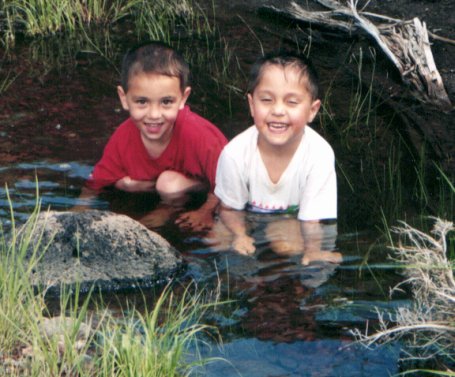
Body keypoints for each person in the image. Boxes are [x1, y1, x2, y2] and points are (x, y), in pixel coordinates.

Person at [84, 41, 228, 231]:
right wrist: (78, 212)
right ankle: (165, 207)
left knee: (168, 184)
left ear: (183, 98)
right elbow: (95, 183)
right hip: (159, 189)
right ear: (124, 98)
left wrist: (206, 211)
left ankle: (168, 208)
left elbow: (230, 182)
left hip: (202, 189)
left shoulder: (199, 135)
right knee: (124, 184)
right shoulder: (123, 136)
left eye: (166, 102)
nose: (154, 115)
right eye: (142, 102)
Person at [214, 50, 341, 265]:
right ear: (252, 105)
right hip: (245, 215)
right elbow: (229, 208)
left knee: (288, 246)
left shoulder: (319, 154)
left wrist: (313, 251)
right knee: (217, 242)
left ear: (312, 110)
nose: (278, 110)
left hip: (290, 219)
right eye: (266, 100)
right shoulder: (234, 153)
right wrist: (240, 235)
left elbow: (312, 220)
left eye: (292, 102)